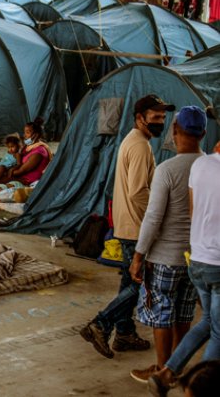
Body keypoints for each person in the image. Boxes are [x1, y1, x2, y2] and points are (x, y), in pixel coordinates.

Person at [80, 94, 171, 359]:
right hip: (136, 226)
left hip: (124, 223)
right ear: (140, 118)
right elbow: (137, 192)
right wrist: (155, 221)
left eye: (163, 118)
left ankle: (124, 333)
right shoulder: (141, 146)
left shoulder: (133, 141)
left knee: (128, 279)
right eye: (155, 117)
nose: (160, 122)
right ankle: (101, 323)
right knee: (141, 284)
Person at [127, 106, 207, 383]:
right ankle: (177, 365)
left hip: (164, 257)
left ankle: (162, 369)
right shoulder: (209, 165)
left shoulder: (167, 170)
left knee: (161, 313)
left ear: (174, 131)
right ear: (204, 134)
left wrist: (138, 256)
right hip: (194, 258)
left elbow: (153, 218)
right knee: (184, 313)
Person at [149, 109, 219, 397]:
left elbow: (193, 212)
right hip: (218, 261)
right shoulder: (199, 162)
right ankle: (201, 389)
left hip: (198, 259)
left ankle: (167, 372)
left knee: (207, 322)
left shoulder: (201, 167)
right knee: (218, 332)